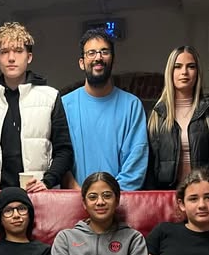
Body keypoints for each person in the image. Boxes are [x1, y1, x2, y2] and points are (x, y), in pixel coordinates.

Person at [0, 22, 73, 193]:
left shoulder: (50, 96)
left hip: (37, 194)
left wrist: (48, 181)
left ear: (29, 57)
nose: (11, 58)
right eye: (4, 52)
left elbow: (64, 150)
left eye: (18, 51)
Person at [61, 29, 148, 191]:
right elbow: (59, 156)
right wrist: (80, 195)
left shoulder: (132, 106)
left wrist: (110, 198)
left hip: (120, 203)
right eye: (91, 53)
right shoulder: (64, 105)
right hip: (74, 201)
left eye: (104, 52)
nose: (98, 57)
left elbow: (136, 162)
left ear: (113, 61)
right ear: (81, 62)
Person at [50, 171, 147, 255]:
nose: (100, 202)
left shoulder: (134, 239)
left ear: (117, 200)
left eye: (107, 196)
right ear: (84, 203)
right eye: (92, 197)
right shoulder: (65, 238)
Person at [145, 46, 209, 189]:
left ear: (197, 72)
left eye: (191, 66)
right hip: (165, 198)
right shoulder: (155, 116)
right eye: (177, 67)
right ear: (169, 72)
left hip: (202, 197)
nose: (184, 72)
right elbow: (148, 170)